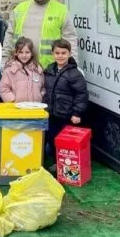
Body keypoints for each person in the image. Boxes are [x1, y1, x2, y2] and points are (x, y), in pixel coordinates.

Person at [1, 0, 78, 69]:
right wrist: (4, 60)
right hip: (21, 70)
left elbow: (70, 40)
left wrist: (73, 65)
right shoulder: (19, 9)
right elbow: (9, 36)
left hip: (50, 71)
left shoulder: (61, 11)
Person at [43, 39, 88, 172]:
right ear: (53, 53)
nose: (60, 56)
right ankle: (57, 163)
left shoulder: (75, 74)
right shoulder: (50, 70)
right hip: (51, 113)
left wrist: (77, 113)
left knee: (65, 142)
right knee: (52, 138)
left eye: (63, 53)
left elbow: (81, 94)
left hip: (66, 115)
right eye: (57, 53)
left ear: (69, 53)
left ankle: (66, 167)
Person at [0, 36, 44, 104]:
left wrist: (40, 97)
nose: (24, 55)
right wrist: (12, 100)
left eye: (27, 52)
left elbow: (42, 88)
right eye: (21, 52)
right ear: (16, 53)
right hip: (16, 110)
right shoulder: (9, 70)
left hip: (35, 109)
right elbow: (4, 89)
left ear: (32, 53)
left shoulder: (37, 70)